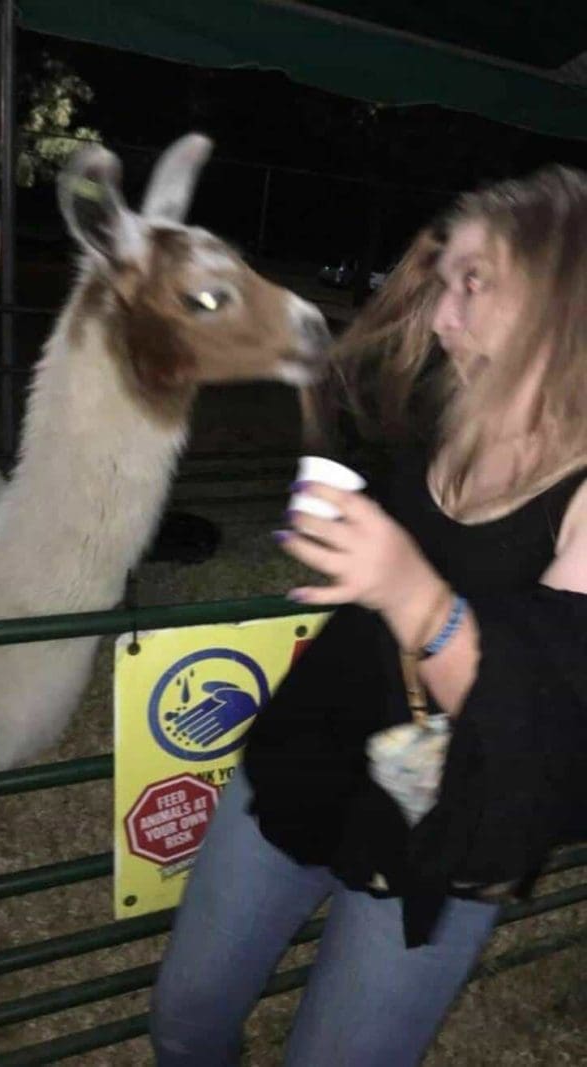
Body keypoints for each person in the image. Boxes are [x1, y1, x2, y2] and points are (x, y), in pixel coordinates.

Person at [150, 165, 587, 1066]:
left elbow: (545, 717)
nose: (443, 316)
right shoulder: (448, 404)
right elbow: (346, 372)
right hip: (302, 761)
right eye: (445, 281)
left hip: (441, 834)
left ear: (562, 299)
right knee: (184, 1023)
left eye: (475, 284)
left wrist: (407, 588)